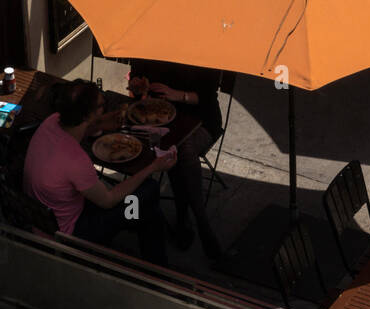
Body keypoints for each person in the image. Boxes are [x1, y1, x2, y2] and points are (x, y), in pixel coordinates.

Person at [23, 80, 173, 264]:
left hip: (45, 217)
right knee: (148, 189)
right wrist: (153, 167)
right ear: (87, 115)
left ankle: (146, 237)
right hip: (73, 233)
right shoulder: (75, 160)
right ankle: (157, 265)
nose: (104, 107)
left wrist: (100, 122)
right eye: (101, 106)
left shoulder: (52, 121)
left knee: (148, 211)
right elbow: (108, 200)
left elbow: (77, 131)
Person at [128, 59, 223, 260]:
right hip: (159, 116)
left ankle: (195, 220)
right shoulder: (147, 38)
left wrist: (177, 95)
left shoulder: (206, 46)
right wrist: (138, 85)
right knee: (175, 146)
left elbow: (207, 97)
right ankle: (188, 219)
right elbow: (136, 78)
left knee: (181, 149)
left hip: (202, 119)